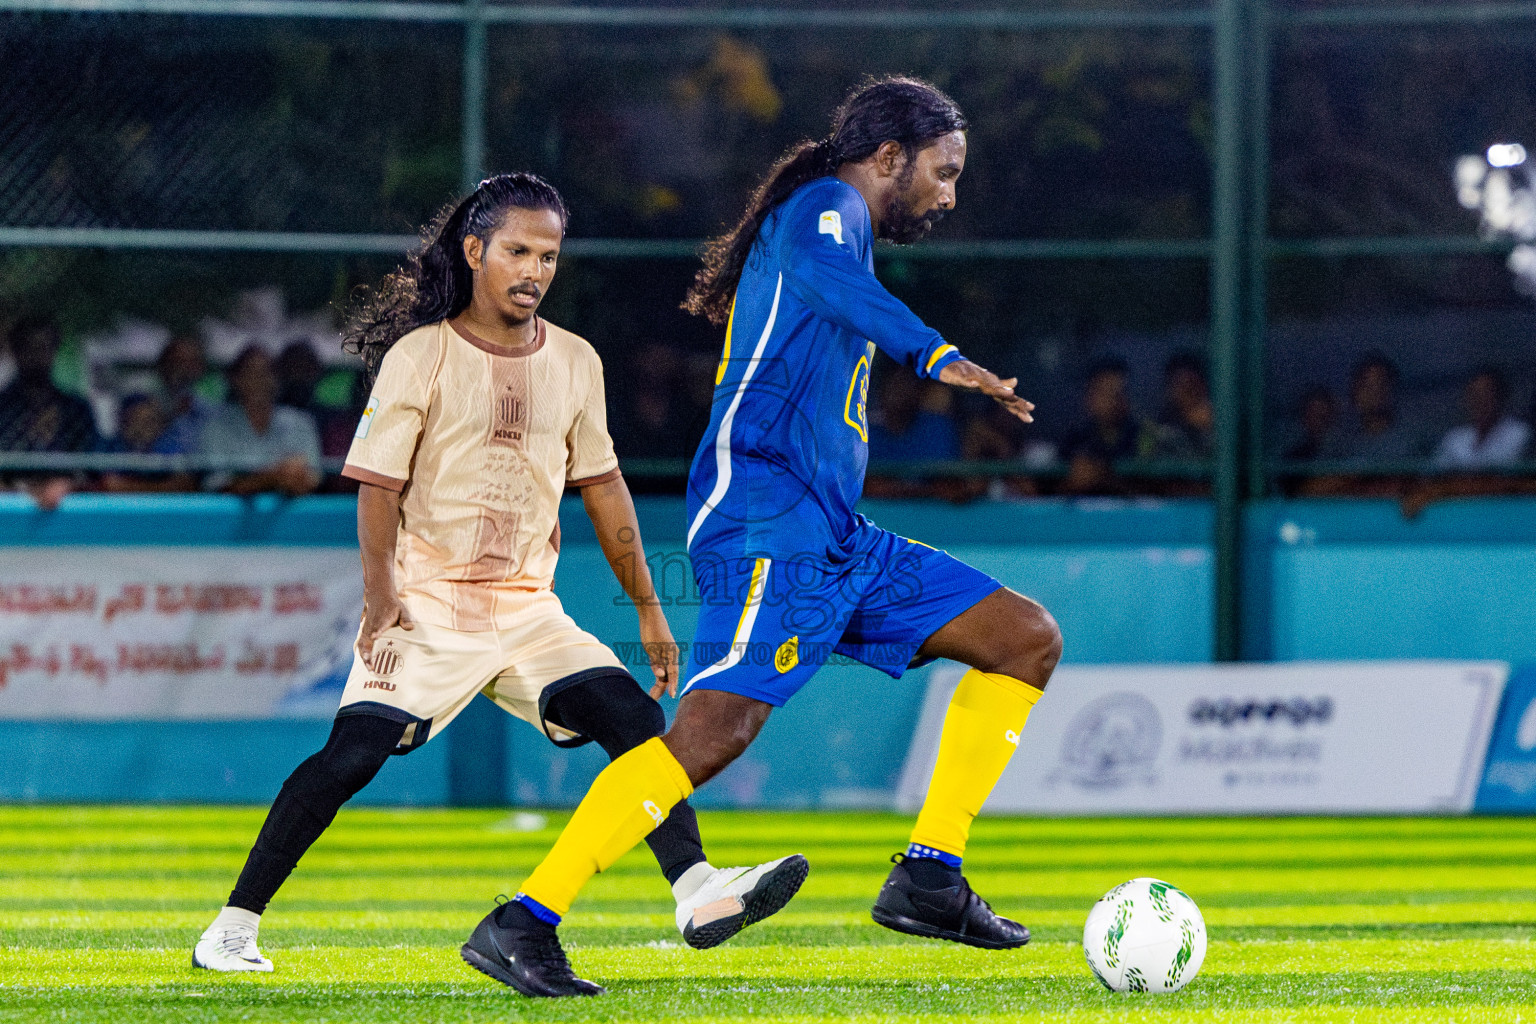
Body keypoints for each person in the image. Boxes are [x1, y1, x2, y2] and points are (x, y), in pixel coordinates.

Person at [473, 79, 1062, 998]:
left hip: (834, 534)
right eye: (943, 172)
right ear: (889, 158)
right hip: (764, 514)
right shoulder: (827, 206)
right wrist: (937, 354)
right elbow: (833, 280)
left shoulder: (841, 222)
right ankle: (524, 919)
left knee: (1022, 639)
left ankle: (931, 877)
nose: (950, 195)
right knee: (715, 731)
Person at [191, 173, 800, 981]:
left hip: (527, 610)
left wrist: (649, 609)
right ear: (475, 250)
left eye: (548, 256)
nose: (534, 270)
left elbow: (603, 486)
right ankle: (231, 928)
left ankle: (695, 889)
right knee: (353, 757)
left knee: (633, 717)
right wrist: (381, 594)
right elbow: (377, 486)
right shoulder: (422, 355)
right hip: (428, 603)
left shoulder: (576, 360)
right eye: (517, 251)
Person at [197, 346, 322, 495]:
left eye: (265, 373)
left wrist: (293, 478)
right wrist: (271, 478)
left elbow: (313, 478)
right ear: (235, 380)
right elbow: (218, 485)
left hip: (293, 508)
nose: (258, 381)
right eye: (250, 373)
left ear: (276, 379)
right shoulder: (216, 427)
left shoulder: (300, 423)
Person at [1057, 357, 1144, 496]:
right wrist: (1073, 483)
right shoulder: (1074, 439)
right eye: (1104, 392)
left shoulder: (1144, 437)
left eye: (1118, 393)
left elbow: (1155, 492)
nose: (1112, 400)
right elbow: (1056, 490)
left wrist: (1104, 478)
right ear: (1089, 397)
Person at [1432, 367, 1530, 469]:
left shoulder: (1519, 434)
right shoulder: (1455, 438)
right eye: (1474, 395)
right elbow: (1436, 472)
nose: (1479, 401)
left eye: (1485, 395)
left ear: (1499, 398)